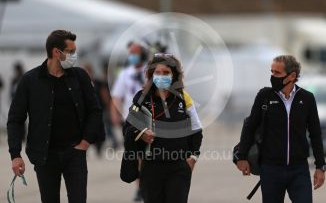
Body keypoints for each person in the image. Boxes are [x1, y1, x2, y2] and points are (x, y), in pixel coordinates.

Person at [7, 30, 105, 203]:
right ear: (56, 52)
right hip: (45, 156)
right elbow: (15, 119)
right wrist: (15, 154)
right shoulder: (30, 80)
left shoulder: (80, 77)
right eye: (71, 51)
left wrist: (85, 142)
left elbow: (95, 110)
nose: (75, 55)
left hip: (75, 153)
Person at [236, 55, 326, 203]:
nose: (272, 76)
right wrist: (242, 156)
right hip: (271, 169)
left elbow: (315, 134)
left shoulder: (307, 98)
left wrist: (320, 166)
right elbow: (250, 126)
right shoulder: (264, 96)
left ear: (292, 76)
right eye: (271, 72)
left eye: (277, 73)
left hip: (299, 170)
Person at [124, 53, 203, 203]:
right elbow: (127, 127)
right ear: (151, 74)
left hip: (178, 167)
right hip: (150, 166)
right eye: (157, 72)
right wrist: (141, 134)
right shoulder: (141, 98)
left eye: (166, 73)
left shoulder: (184, 98)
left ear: (174, 75)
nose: (162, 76)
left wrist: (192, 158)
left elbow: (197, 130)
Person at [111, 42, 148, 201]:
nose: (132, 56)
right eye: (130, 53)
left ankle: (148, 185)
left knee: (149, 156)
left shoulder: (152, 71)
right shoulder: (125, 73)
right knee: (136, 156)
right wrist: (114, 114)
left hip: (150, 120)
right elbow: (117, 96)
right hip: (131, 121)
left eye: (135, 53)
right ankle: (140, 188)